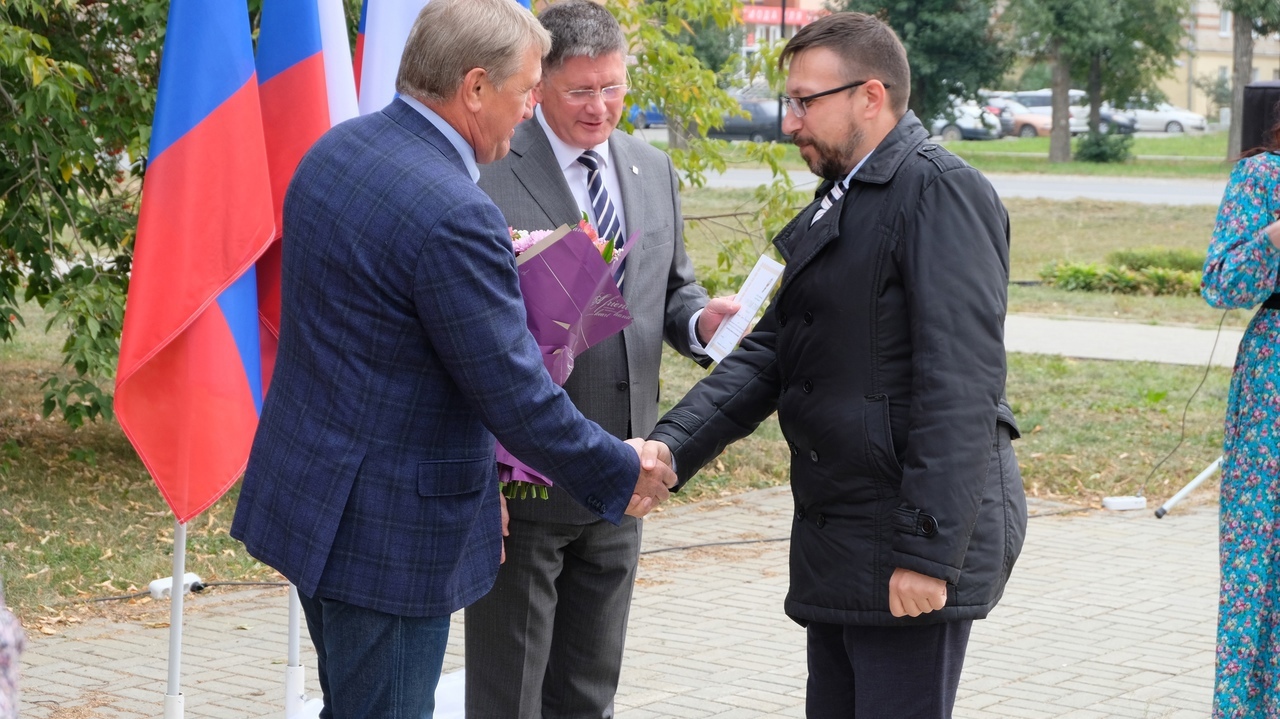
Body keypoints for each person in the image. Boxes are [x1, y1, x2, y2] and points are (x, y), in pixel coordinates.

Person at [229, 1, 676, 716]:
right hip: (391, 536)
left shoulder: (336, 150)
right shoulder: (455, 210)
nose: (531, 109)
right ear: (474, 88)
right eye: (526, 89)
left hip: (313, 500)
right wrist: (619, 469)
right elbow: (516, 396)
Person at [639, 12, 1026, 718]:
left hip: (906, 539)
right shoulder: (845, 197)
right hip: (846, 536)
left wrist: (927, 553)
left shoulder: (939, 190)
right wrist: (671, 445)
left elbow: (961, 385)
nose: (790, 122)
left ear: (870, 96)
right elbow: (772, 350)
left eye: (804, 101)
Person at [463, 3, 736, 716]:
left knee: (589, 691)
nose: (600, 107)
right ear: (539, 86)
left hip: (624, 474)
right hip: (526, 479)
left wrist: (701, 321)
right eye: (581, 91)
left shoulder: (651, 168)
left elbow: (670, 290)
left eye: (613, 88)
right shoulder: (489, 167)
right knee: (508, 693)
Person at [1202, 103, 1280, 718]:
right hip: (1273, 381)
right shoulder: (1263, 177)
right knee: (1263, 554)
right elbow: (1222, 284)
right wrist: (1276, 232)